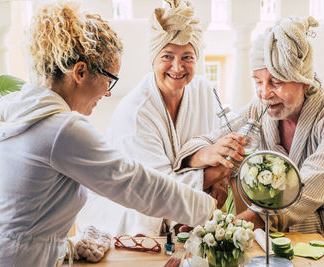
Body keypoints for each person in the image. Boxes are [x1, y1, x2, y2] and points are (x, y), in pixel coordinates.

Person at [0, 2, 216, 267]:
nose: (109, 92)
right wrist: (209, 210)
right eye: (109, 79)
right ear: (80, 72)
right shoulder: (62, 130)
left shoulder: (18, 108)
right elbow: (136, 183)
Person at [173, 16, 324, 266]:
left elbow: (308, 187)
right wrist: (208, 153)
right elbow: (196, 144)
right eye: (258, 82)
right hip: (309, 214)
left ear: (304, 80)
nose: (264, 93)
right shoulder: (260, 109)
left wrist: (237, 224)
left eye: (276, 82)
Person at [77, 0, 231, 237]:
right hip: (128, 219)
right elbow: (158, 190)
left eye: (187, 57)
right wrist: (217, 173)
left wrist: (221, 179)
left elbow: (220, 144)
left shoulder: (203, 91)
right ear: (153, 59)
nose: (177, 67)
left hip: (182, 213)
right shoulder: (136, 113)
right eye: (167, 56)